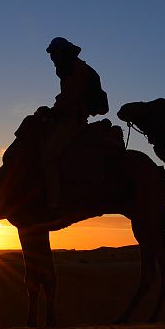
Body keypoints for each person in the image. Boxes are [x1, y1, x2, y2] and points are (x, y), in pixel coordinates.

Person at [40, 37, 109, 214]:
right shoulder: (70, 69)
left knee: (48, 156)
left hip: (72, 121)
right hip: (69, 118)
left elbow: (70, 97)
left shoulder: (76, 69)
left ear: (61, 52)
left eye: (54, 53)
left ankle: (54, 204)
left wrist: (53, 110)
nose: (52, 58)